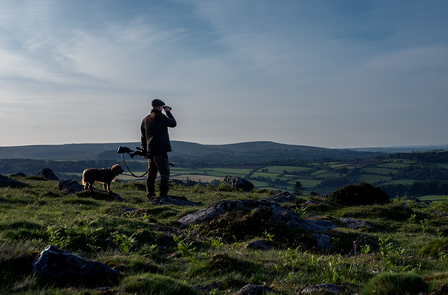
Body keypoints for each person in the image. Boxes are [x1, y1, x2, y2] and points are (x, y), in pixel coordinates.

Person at [141, 99, 177, 200]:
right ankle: (163, 194)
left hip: (150, 150)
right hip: (160, 150)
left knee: (151, 174)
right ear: (160, 107)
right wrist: (168, 112)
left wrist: (144, 150)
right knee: (165, 173)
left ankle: (150, 195)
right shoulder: (161, 116)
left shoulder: (145, 119)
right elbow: (173, 123)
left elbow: (143, 137)